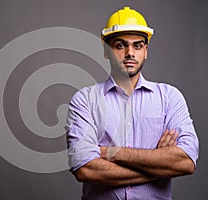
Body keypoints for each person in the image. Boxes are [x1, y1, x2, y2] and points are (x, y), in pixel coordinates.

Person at [66, 7, 199, 199]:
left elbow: (185, 162)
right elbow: (85, 170)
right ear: (106, 51)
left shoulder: (170, 97)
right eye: (120, 46)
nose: (130, 53)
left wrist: (110, 153)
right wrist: (157, 164)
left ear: (145, 51)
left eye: (137, 46)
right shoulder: (85, 100)